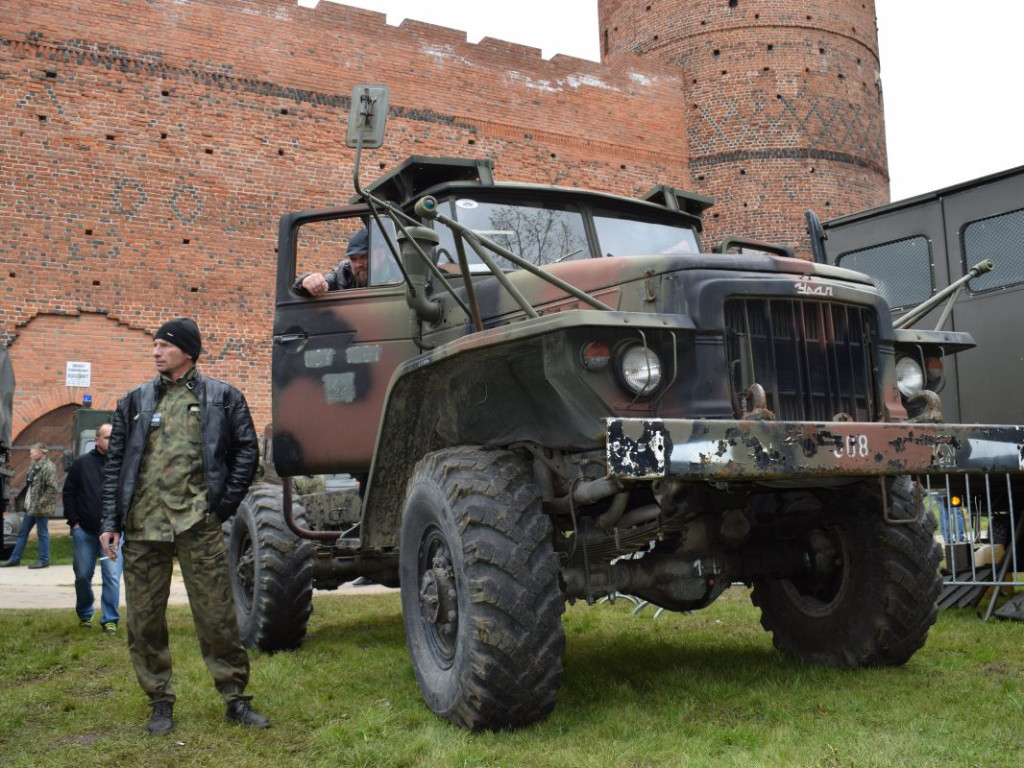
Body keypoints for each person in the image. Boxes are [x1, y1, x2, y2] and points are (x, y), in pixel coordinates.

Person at [98, 317, 268, 735]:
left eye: (164, 345)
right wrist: (109, 520)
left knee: (216, 617)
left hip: (198, 523)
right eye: (154, 345)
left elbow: (247, 451)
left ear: (187, 351)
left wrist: (223, 506)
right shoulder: (133, 402)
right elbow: (115, 465)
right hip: (142, 526)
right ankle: (159, 701)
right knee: (144, 621)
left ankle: (235, 699)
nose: (155, 351)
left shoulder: (223, 398)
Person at [63, 422, 123, 632]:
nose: (111, 441)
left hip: (114, 534)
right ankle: (85, 613)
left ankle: (110, 619)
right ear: (97, 440)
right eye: (106, 437)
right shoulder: (81, 464)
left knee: (112, 576)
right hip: (85, 532)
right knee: (82, 576)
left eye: (113, 437)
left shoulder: (122, 465)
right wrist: (75, 522)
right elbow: (69, 493)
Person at [1, 442, 57, 568]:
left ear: (42, 452)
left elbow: (52, 488)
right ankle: (15, 559)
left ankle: (44, 560)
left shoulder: (49, 467)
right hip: (31, 507)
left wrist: (40, 503)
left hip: (41, 508)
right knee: (22, 532)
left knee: (42, 533)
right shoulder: (34, 467)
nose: (30, 453)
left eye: (33, 451)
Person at [292, 227, 368, 296]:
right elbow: (324, 283)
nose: (358, 264)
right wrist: (307, 281)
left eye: (363, 256)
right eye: (353, 258)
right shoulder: (342, 275)